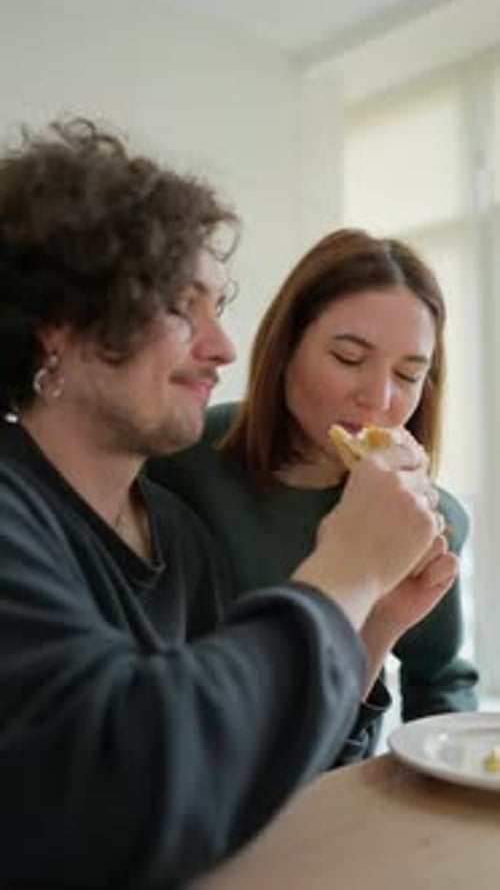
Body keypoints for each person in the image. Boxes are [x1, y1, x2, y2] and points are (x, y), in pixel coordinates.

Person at [0, 119, 451, 889]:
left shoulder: (180, 537)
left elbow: (257, 775)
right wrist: (345, 565)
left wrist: (374, 624)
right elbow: (124, 790)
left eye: (219, 308)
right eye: (183, 307)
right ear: (60, 329)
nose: (224, 348)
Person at [150, 228, 479, 740]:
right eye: (348, 358)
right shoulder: (182, 458)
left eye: (409, 374)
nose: (378, 398)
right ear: (285, 349)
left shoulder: (432, 517)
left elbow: (438, 678)